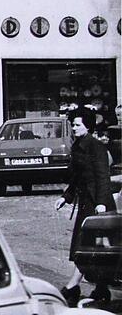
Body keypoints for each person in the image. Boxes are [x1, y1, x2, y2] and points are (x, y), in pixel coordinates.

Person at [54, 107, 115, 306]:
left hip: (97, 204)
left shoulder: (95, 146)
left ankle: (73, 286)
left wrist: (102, 204)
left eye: (77, 124)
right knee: (94, 249)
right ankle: (101, 289)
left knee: (86, 247)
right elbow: (77, 178)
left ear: (87, 126)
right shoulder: (78, 145)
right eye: (73, 124)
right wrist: (66, 197)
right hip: (86, 203)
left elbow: (102, 176)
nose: (73, 127)